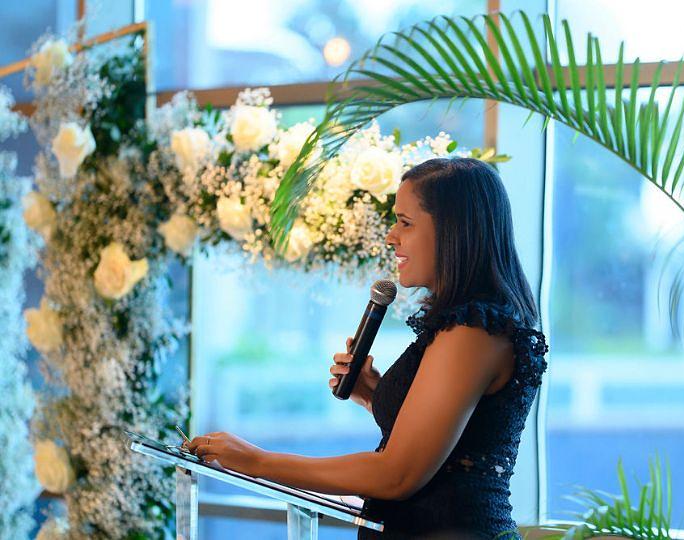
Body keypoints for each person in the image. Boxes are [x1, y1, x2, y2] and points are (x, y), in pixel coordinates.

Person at [187, 157, 549, 539]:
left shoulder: (473, 333)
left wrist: (257, 461)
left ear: (453, 231)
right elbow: (450, 446)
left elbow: (397, 475)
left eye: (405, 223)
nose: (391, 237)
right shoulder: (464, 326)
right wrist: (374, 396)